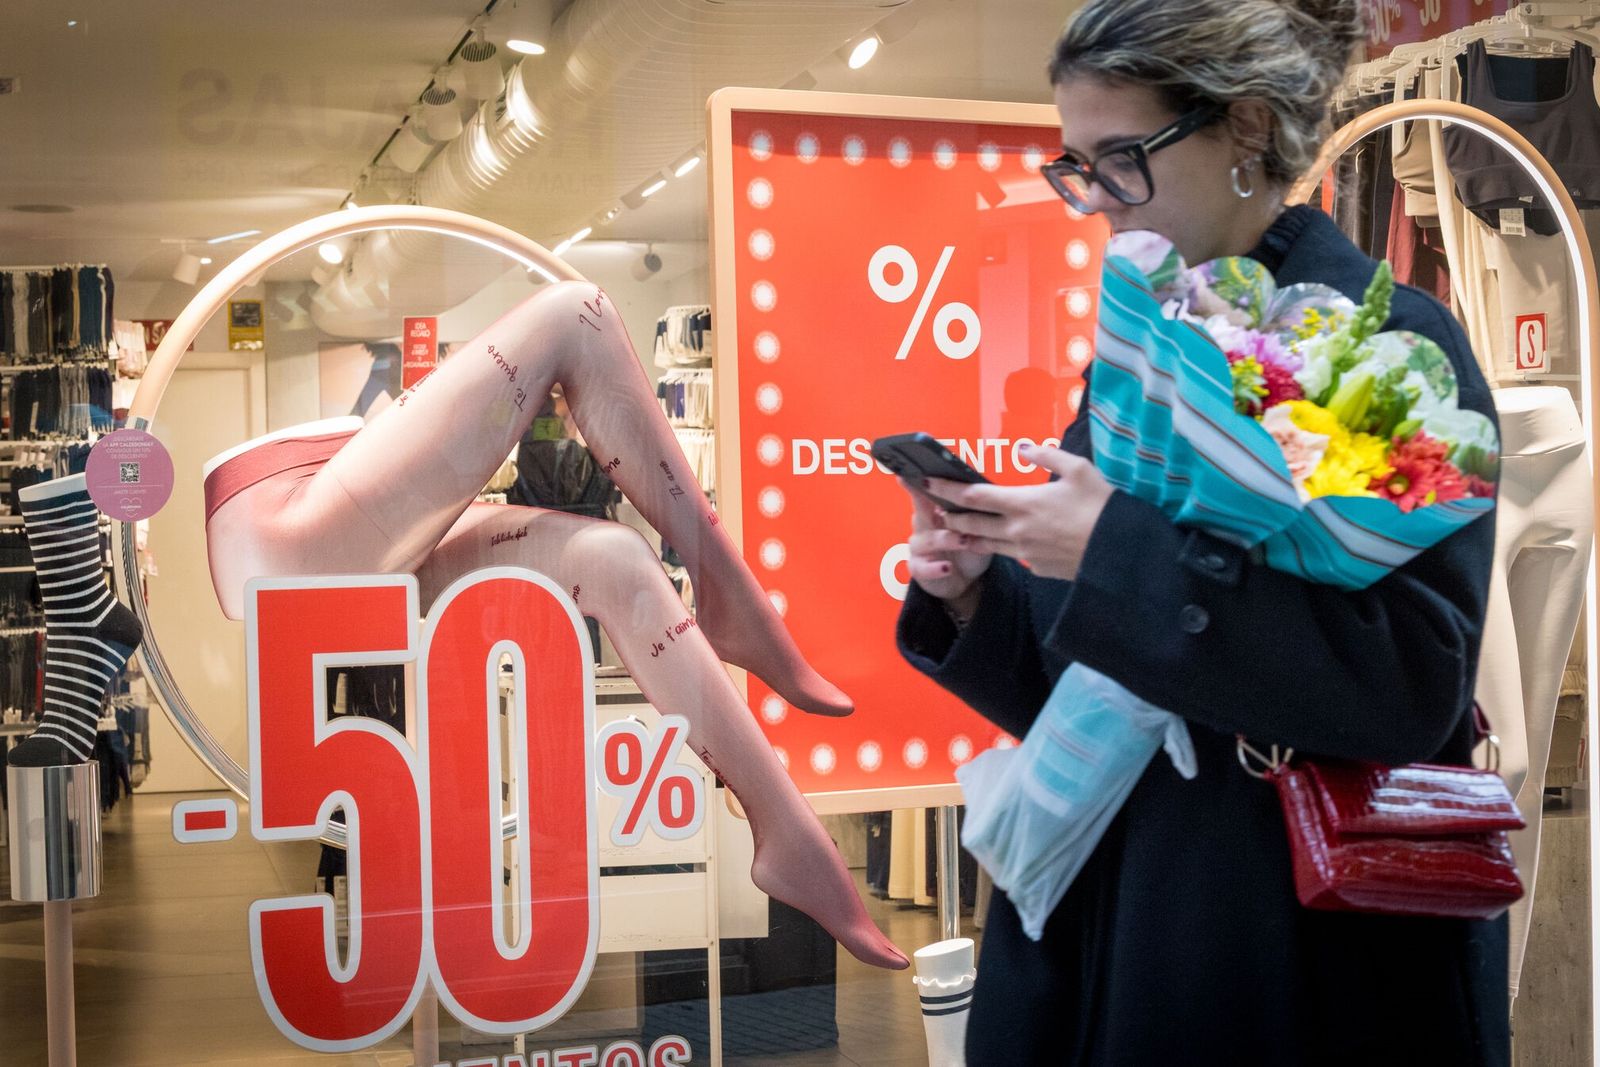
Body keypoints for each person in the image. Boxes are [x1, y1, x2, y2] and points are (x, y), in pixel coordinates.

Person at [896, 0, 1508, 1062]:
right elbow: (1073, 671)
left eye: (1121, 158)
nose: (1094, 202)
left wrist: (1109, 552)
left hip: (1290, 940)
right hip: (1108, 904)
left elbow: (1413, 684)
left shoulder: (1385, 346)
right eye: (1077, 165)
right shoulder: (1142, 342)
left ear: (1249, 131)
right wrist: (973, 586)